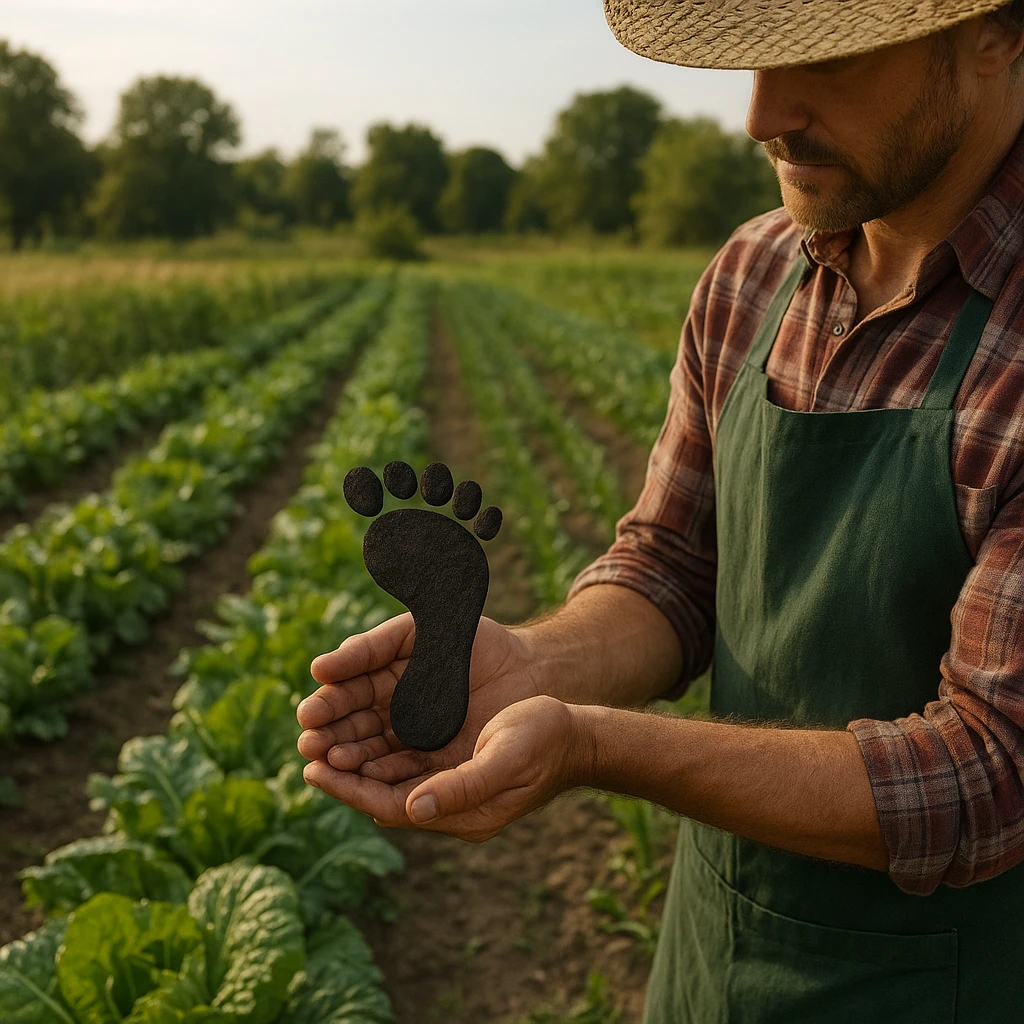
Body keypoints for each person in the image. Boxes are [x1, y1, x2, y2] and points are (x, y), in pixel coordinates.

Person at [296, 1, 1024, 1019]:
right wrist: (535, 667)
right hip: (711, 960)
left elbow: (987, 774)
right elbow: (673, 565)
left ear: (998, 33)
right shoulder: (752, 273)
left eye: (830, 55)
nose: (761, 113)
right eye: (754, 61)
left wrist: (590, 744)